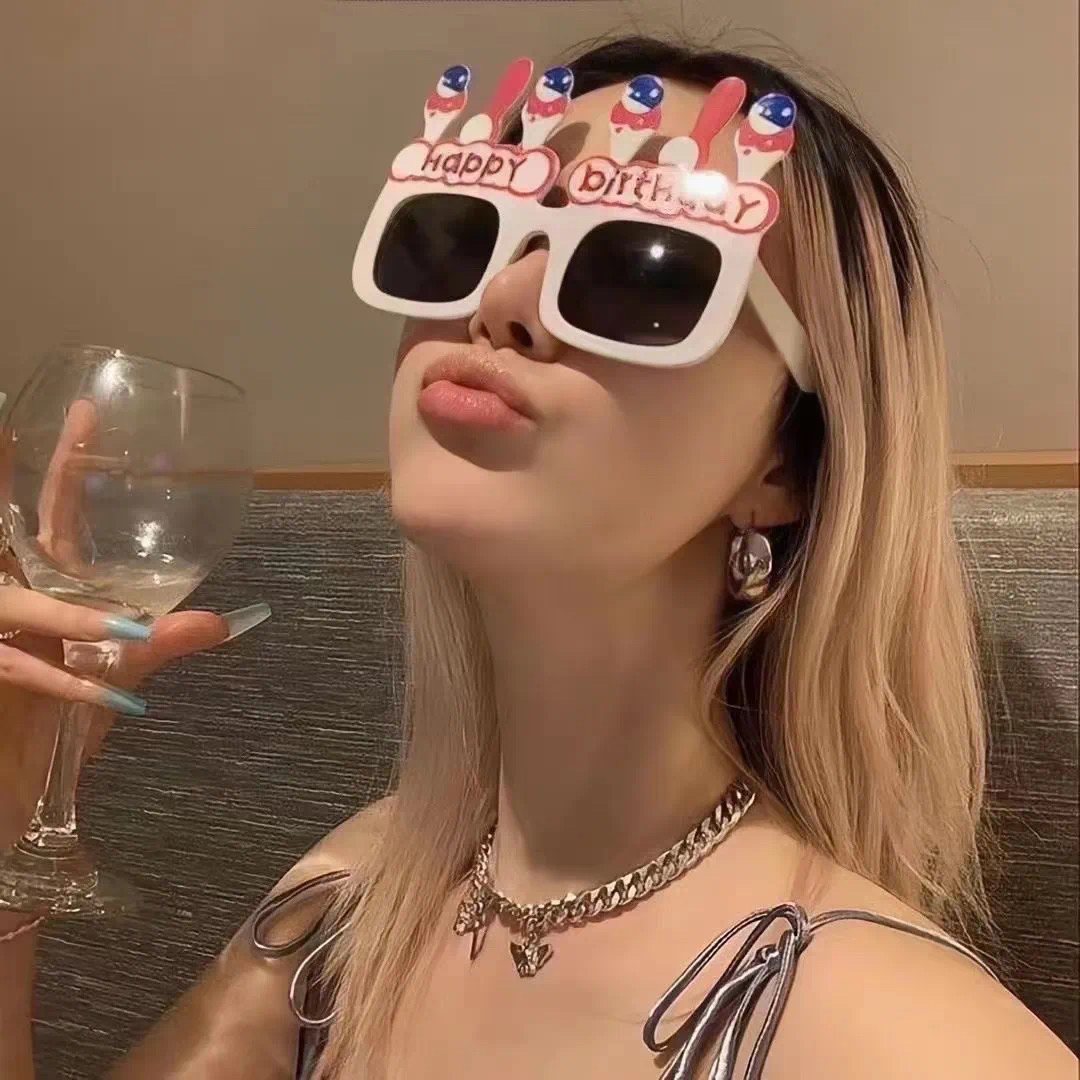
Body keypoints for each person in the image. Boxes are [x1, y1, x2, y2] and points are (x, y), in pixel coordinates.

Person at [1, 32, 1076, 1080]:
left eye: (645, 269)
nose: (503, 302)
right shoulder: (346, 908)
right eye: (468, 235)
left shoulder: (899, 1037)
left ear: (786, 463)